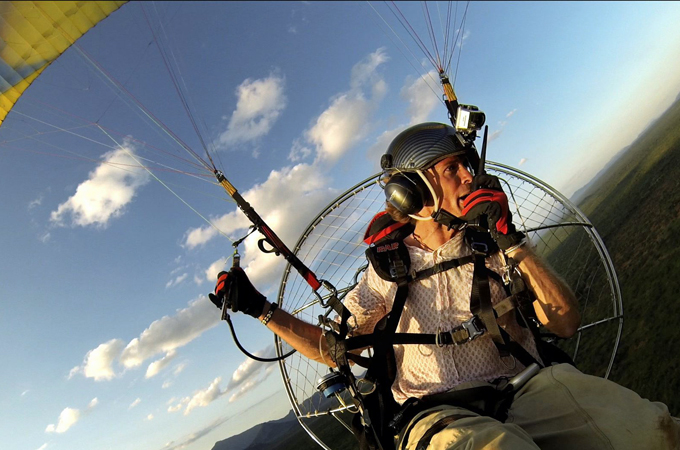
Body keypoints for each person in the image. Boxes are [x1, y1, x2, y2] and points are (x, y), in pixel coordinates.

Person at [209, 122, 680, 450]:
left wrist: (512, 241)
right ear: (412, 190)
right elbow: (334, 349)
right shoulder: (386, 269)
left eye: (466, 166)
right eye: (452, 168)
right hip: (435, 413)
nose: (468, 177)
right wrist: (260, 308)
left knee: (651, 432)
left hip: (526, 385)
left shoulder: (493, 241)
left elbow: (566, 322)